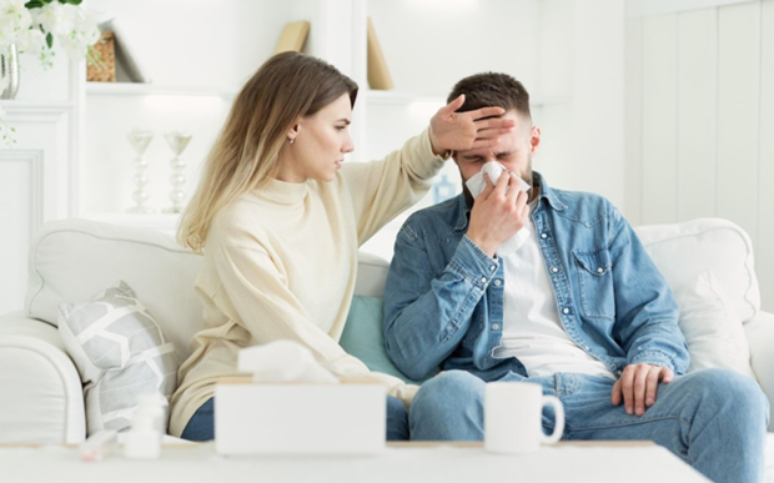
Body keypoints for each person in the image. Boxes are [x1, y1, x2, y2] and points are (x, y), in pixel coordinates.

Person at [382, 72, 769, 482]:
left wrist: (652, 358)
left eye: (506, 156)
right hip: (499, 404)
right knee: (443, 395)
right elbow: (410, 353)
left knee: (734, 395)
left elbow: (652, 313)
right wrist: (479, 245)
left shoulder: (594, 217)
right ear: (454, 158)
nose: (493, 174)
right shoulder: (424, 233)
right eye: (475, 160)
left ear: (533, 143)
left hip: (608, 399)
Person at [168, 52, 516, 442]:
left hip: (302, 394)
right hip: (224, 399)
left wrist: (437, 139)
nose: (349, 145)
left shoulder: (332, 192)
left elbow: (402, 172)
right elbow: (298, 343)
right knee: (386, 417)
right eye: (339, 127)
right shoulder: (239, 223)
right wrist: (406, 394)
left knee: (393, 416)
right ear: (293, 126)